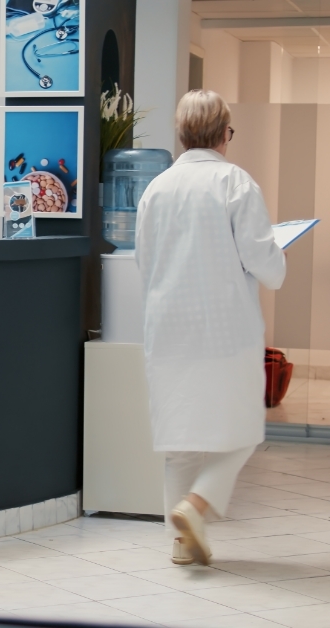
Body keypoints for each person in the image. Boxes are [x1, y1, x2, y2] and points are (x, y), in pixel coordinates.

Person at [136, 89, 286, 566]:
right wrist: (278, 251)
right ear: (224, 134)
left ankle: (181, 545)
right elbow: (267, 266)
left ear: (181, 135)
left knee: (181, 442)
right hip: (225, 332)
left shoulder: (155, 189)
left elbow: (146, 262)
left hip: (168, 331)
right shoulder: (235, 183)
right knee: (242, 430)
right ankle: (195, 506)